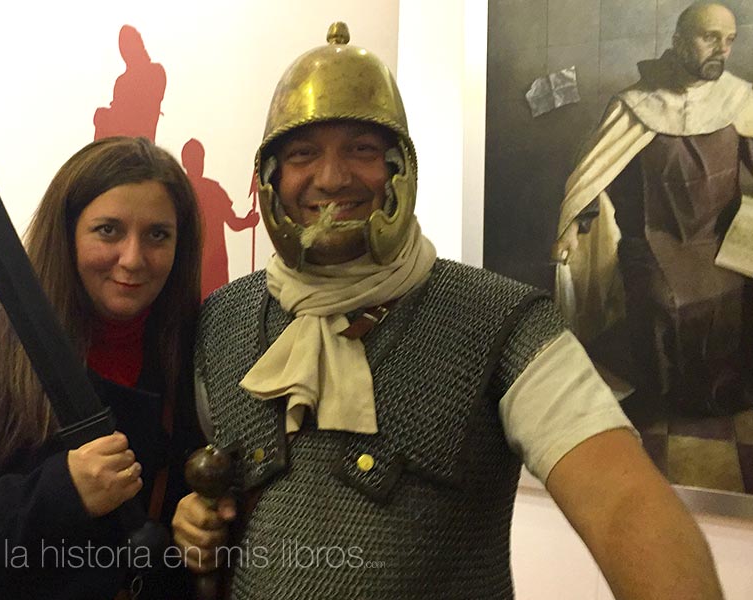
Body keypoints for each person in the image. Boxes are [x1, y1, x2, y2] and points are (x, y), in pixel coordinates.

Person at [172, 22, 724, 599]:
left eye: (362, 150)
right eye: (303, 154)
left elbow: (623, 501)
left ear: (399, 168)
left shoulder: (498, 320)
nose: (332, 178)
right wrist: (198, 520)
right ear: (270, 178)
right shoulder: (225, 321)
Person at [0, 136, 204, 599]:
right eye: (108, 230)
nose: (133, 258)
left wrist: (201, 525)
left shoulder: (198, 353)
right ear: (66, 233)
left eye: (157, 235)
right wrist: (61, 493)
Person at [553, 1, 753, 417]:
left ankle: (725, 393)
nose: (721, 49)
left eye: (729, 40)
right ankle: (664, 401)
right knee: (662, 301)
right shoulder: (635, 104)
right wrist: (575, 221)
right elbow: (594, 172)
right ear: (679, 41)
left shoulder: (739, 98)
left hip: (718, 238)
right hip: (654, 240)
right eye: (709, 37)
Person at [181, 138, 260, 299]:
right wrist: (248, 221)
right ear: (186, 162)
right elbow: (235, 223)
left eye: (199, 159)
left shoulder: (206, 190)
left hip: (213, 264)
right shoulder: (180, 192)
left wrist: (249, 221)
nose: (198, 163)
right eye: (195, 159)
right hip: (191, 264)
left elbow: (233, 222)